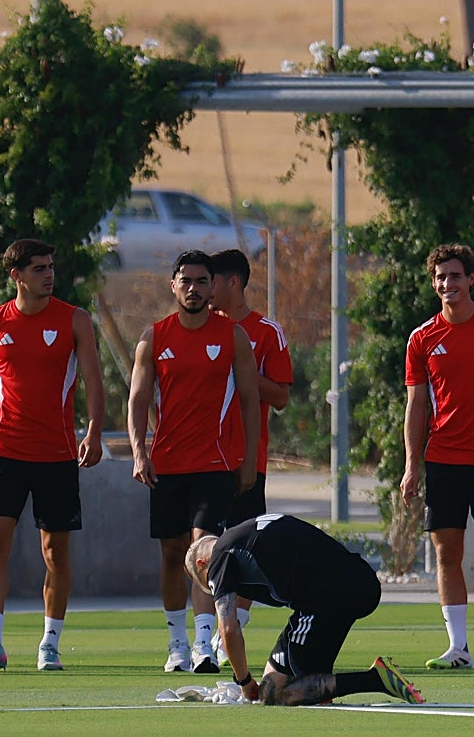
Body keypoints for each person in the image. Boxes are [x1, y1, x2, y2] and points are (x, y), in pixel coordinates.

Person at [0, 239, 105, 672]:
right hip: (4, 450)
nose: (49, 274)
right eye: (39, 268)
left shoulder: (74, 320)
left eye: (51, 266)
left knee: (55, 551)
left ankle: (50, 642)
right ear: (17, 276)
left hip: (57, 452)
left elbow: (94, 381)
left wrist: (94, 431)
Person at [128, 250, 260, 673]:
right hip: (166, 466)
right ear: (173, 285)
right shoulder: (153, 338)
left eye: (202, 281)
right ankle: (177, 644)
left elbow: (249, 402)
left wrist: (248, 460)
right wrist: (139, 451)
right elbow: (137, 400)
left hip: (214, 464)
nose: (193, 288)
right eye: (185, 281)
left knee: (204, 550)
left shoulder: (232, 336)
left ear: (212, 287)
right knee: (171, 555)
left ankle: (205, 644)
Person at [399, 244, 474, 669]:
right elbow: (416, 405)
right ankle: (458, 646)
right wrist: (412, 464)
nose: (446, 284)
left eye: (454, 276)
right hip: (444, 461)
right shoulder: (423, 338)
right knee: (447, 554)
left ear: (471, 279)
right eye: (440, 277)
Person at [184, 514, 424, 706]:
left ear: (202, 563)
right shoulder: (244, 534)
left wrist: (244, 681)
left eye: (210, 584)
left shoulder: (219, 556)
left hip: (326, 597)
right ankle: (322, 680)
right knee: (270, 690)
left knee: (289, 691)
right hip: (352, 583)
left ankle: (375, 679)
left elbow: (228, 629)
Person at [207, 248, 293, 663]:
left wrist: (242, 370)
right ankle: (200, 638)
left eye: (212, 281)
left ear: (233, 283)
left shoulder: (266, 332)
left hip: (245, 459)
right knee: (199, 548)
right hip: (198, 460)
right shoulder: (193, 329)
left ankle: (231, 634)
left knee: (243, 550)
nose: (203, 289)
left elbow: (281, 396)